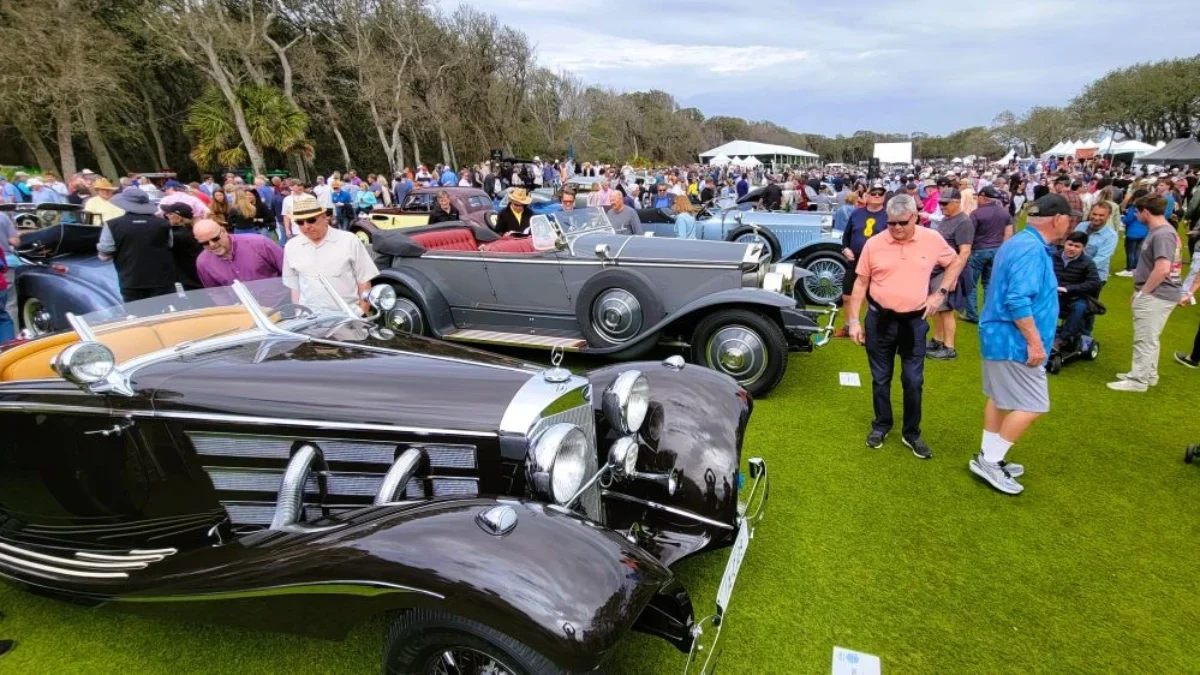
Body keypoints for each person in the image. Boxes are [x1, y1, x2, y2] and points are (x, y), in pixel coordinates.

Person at [972, 194, 1074, 495]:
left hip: (999, 337)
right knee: (1032, 405)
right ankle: (990, 461)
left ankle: (988, 457)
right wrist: (1035, 343)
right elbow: (1017, 298)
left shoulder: (1019, 243)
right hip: (1013, 341)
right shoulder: (1030, 248)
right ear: (1058, 219)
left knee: (1000, 399)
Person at [848, 194, 962, 459]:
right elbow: (860, 283)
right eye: (891, 223)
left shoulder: (932, 239)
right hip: (879, 320)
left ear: (915, 217)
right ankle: (882, 425)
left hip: (914, 322)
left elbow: (954, 262)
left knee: (913, 380)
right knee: (880, 378)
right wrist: (853, 320)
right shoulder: (874, 244)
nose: (897, 228)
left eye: (902, 223)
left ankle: (912, 433)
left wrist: (940, 292)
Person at [1109, 193, 1182, 392]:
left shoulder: (1162, 234)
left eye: (1137, 211)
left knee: (1145, 338)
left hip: (1158, 293)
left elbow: (1163, 268)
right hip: (1156, 292)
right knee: (1150, 337)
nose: (1135, 214)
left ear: (1146, 212)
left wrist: (1144, 292)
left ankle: (1138, 380)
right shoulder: (1160, 231)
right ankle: (1148, 374)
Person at [281, 194, 380, 311]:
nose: (306, 226)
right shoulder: (291, 246)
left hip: (346, 317)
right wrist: (298, 313)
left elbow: (364, 280)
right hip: (310, 319)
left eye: (311, 220)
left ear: (324, 217)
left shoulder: (349, 240)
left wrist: (362, 312)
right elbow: (294, 285)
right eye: (300, 222)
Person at [97, 189, 177, 302]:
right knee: (166, 315)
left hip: (131, 281)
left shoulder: (112, 225)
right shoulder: (163, 223)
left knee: (138, 315)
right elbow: (170, 244)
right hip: (162, 280)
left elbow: (105, 254)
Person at [927, 188, 974, 360]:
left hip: (949, 271)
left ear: (956, 202)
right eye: (940, 202)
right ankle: (937, 340)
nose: (941, 206)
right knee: (938, 308)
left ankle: (949, 348)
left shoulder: (964, 222)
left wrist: (953, 276)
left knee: (946, 310)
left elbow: (965, 252)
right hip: (939, 270)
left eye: (945, 203)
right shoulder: (947, 219)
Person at [836, 182, 888, 335]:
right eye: (874, 193)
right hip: (855, 259)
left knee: (869, 297)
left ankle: (866, 329)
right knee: (847, 295)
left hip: (877, 262)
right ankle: (847, 326)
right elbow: (846, 236)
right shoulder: (856, 213)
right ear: (867, 196)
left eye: (880, 194)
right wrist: (845, 248)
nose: (877, 196)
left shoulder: (888, 216)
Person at [962, 185, 1014, 323]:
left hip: (978, 251)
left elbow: (969, 234)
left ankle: (972, 314)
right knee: (989, 284)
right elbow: (1009, 233)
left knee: (971, 284)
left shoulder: (976, 213)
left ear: (983, 197)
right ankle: (988, 313)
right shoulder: (1004, 213)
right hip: (996, 250)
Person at [192, 219, 284, 287]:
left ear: (224, 231)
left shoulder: (259, 243)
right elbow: (215, 292)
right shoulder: (203, 262)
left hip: (281, 303)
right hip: (243, 310)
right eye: (205, 243)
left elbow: (287, 269)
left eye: (215, 239)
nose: (212, 245)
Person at [1052, 232, 1102, 351]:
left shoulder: (1088, 263)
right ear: (1065, 243)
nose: (1072, 248)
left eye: (1077, 246)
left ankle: (1062, 340)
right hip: (1053, 295)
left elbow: (1095, 283)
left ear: (1083, 248)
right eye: (1070, 244)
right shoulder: (1052, 257)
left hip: (1075, 297)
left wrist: (1069, 288)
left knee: (1079, 308)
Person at [160, 202, 203, 290]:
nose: (166, 215)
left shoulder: (178, 235)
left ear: (179, 218)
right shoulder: (191, 230)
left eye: (170, 214)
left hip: (187, 280)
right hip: (193, 277)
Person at [1116, 188, 1150, 277]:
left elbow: (1128, 220)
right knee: (1137, 251)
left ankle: (1129, 269)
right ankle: (1135, 268)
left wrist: (1122, 218)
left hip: (1132, 233)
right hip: (1143, 232)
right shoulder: (1148, 208)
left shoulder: (1133, 208)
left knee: (1130, 251)